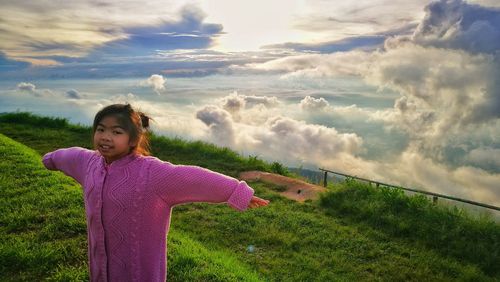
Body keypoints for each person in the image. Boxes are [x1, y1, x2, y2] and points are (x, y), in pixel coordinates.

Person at [42, 103, 269, 281]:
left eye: (116, 132)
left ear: (133, 140)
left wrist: (237, 191)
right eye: (100, 130)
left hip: (139, 271)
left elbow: (194, 177)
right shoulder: (89, 163)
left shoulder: (152, 173)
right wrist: (50, 160)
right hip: (100, 266)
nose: (105, 137)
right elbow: (67, 156)